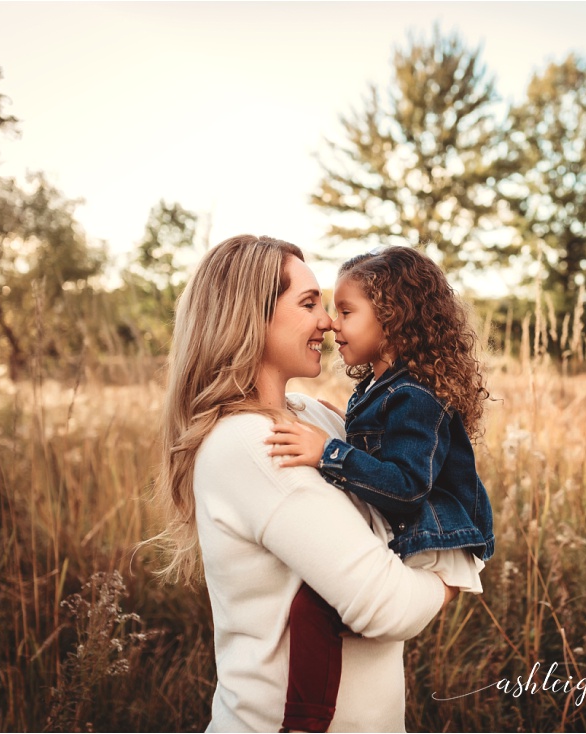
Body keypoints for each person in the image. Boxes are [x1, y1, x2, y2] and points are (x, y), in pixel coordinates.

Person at [148, 235, 455, 732]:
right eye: (309, 303)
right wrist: (453, 575)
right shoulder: (253, 444)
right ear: (250, 316)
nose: (329, 321)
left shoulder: (311, 419)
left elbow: (404, 491)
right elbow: (389, 606)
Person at [262, 245, 495, 731]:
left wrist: (329, 452)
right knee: (317, 606)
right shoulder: (380, 387)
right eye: (327, 308)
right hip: (412, 523)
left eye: (346, 311)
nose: (332, 324)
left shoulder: (413, 396)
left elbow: (407, 485)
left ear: (393, 319)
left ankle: (304, 721)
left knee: (316, 607)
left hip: (433, 533)